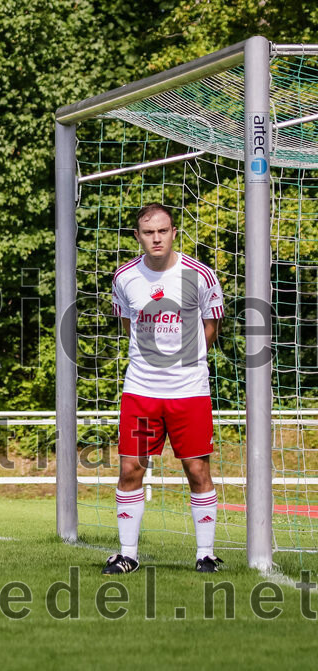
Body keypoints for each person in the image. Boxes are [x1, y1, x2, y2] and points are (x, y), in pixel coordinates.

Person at [105, 203, 225, 574]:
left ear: (174, 233)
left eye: (162, 230)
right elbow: (129, 326)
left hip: (190, 392)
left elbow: (211, 329)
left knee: (196, 469)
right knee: (130, 469)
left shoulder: (200, 276)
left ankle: (205, 554)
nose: (156, 238)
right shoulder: (124, 278)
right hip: (141, 391)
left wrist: (184, 361)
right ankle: (128, 554)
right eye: (148, 232)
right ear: (138, 236)